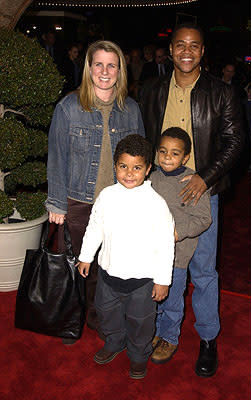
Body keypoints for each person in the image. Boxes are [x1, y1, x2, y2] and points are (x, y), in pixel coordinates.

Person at [139, 23, 244, 377]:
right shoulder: (152, 91)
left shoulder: (221, 92)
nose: (186, 51)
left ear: (203, 51)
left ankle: (208, 339)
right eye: (180, 45)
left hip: (202, 193)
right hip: (159, 193)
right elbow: (144, 140)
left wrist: (205, 177)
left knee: (203, 271)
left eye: (194, 46)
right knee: (161, 266)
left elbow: (234, 142)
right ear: (170, 51)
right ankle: (162, 333)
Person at [45, 40, 145, 344]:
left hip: (117, 203)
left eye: (111, 65)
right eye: (98, 64)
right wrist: (57, 203)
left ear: (120, 70)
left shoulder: (131, 109)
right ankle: (71, 319)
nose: (104, 71)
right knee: (76, 266)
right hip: (77, 201)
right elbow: (56, 156)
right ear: (89, 68)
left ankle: (99, 318)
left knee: (108, 266)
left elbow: (140, 157)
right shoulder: (68, 107)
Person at [77, 134, 175, 379]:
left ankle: (139, 355)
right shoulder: (107, 196)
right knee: (106, 312)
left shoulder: (156, 204)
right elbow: (95, 226)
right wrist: (86, 256)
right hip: (109, 275)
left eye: (137, 167)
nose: (129, 173)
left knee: (141, 323)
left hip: (142, 281)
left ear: (148, 169)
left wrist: (163, 280)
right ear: (115, 166)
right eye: (123, 166)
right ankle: (114, 342)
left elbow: (165, 244)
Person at [149, 127, 212, 364]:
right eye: (163, 151)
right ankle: (154, 331)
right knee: (152, 298)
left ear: (185, 158)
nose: (167, 157)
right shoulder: (151, 178)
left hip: (177, 256)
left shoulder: (193, 182)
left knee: (172, 299)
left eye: (174, 153)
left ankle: (169, 337)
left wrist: (178, 232)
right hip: (150, 254)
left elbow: (204, 218)